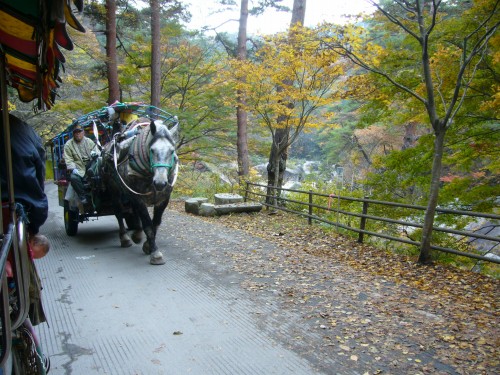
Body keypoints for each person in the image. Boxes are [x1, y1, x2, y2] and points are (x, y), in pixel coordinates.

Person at [63, 123, 98, 205]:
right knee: (73, 178)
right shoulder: (68, 144)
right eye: (76, 132)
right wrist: (72, 168)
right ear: (73, 134)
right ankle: (83, 196)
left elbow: (96, 151)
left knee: (99, 171)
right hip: (78, 168)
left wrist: (95, 153)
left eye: (80, 132)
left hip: (90, 165)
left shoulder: (89, 141)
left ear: (83, 132)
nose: (78, 134)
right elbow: (68, 158)